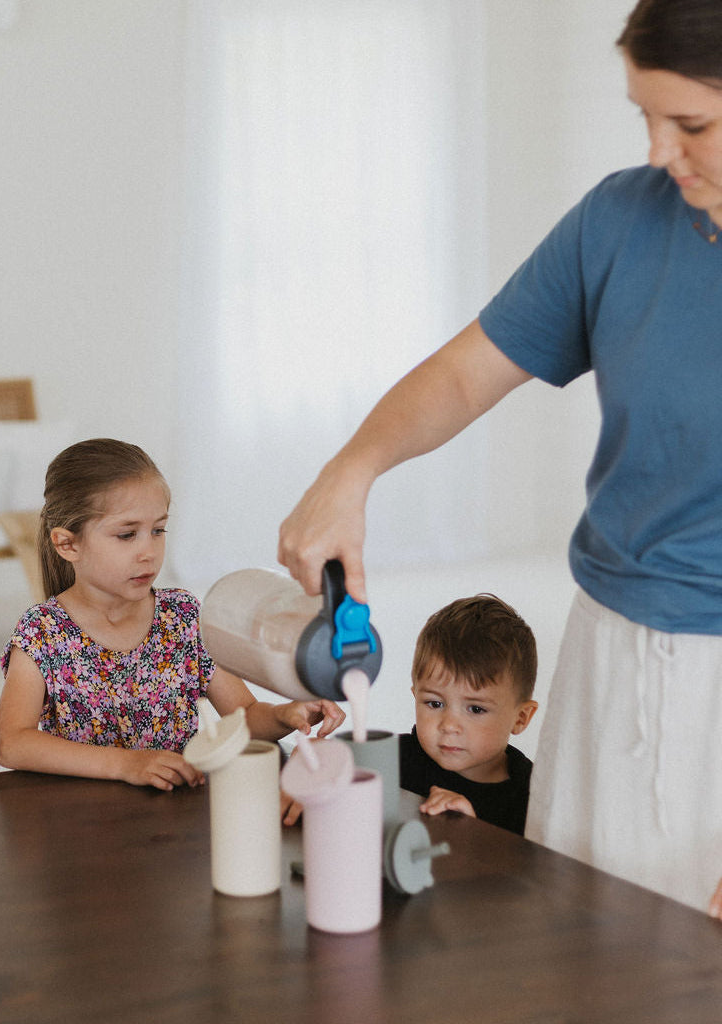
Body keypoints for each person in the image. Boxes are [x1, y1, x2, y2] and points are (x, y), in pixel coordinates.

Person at [278, 0, 722, 916]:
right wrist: (350, 470)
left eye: (691, 124)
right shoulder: (621, 219)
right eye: (644, 115)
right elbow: (463, 375)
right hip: (609, 643)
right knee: (577, 940)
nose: (659, 152)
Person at [0, 438, 344, 795]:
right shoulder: (42, 631)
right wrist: (126, 764)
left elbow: (243, 718)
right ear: (68, 544)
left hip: (178, 817)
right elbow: (12, 743)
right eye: (127, 534)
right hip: (83, 823)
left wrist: (284, 715)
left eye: (158, 530)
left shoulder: (182, 616)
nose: (148, 551)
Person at [400, 595, 538, 836]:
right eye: (434, 703)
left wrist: (472, 834)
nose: (449, 726)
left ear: (520, 718)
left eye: (476, 709)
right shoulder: (394, 759)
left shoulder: (533, 797)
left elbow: (530, 871)